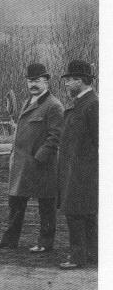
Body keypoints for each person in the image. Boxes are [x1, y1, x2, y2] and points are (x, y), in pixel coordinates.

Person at [0, 63, 63, 252]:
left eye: (37, 80)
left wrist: (39, 158)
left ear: (46, 82)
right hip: (22, 164)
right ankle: (9, 240)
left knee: (46, 204)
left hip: (42, 165)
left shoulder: (54, 105)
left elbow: (55, 136)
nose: (33, 84)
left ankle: (45, 243)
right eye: (30, 81)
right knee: (15, 203)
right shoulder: (27, 101)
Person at [56, 60, 98, 270]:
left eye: (70, 80)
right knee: (85, 213)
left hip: (84, 171)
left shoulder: (92, 105)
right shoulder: (82, 104)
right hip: (77, 170)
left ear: (80, 81)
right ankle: (91, 254)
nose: (66, 84)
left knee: (76, 213)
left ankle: (77, 257)